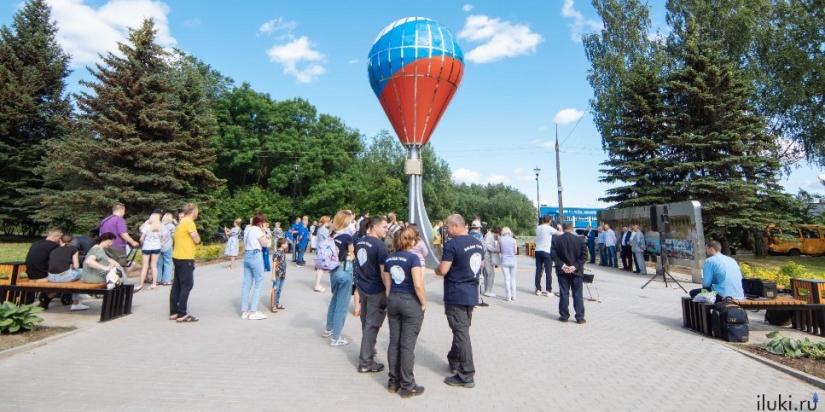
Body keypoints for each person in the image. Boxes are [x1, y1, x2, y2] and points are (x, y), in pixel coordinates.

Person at [436, 214, 482, 389]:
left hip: (456, 293)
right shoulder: (477, 243)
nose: (446, 230)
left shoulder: (452, 244)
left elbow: (444, 269)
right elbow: (481, 265)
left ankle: (466, 374)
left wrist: (437, 270)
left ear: (456, 226)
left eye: (447, 227)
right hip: (471, 293)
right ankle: (454, 359)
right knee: (462, 329)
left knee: (461, 332)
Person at [383, 226, 427, 398]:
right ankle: (408, 386)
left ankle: (393, 381)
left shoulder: (389, 259)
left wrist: (390, 302)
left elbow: (387, 285)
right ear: (410, 241)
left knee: (394, 342)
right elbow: (418, 284)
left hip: (393, 299)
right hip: (409, 301)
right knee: (407, 345)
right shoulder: (413, 258)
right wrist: (423, 303)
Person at [355, 215, 389, 373]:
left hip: (362, 286)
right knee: (372, 323)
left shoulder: (360, 241)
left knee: (366, 321)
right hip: (375, 289)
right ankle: (366, 361)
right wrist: (388, 291)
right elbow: (384, 273)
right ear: (375, 227)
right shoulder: (380, 246)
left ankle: (368, 349)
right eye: (384, 227)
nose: (386, 230)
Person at [324, 210, 355, 346]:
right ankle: (336, 337)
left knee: (334, 299)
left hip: (333, 270)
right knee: (342, 305)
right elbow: (352, 254)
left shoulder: (331, 235)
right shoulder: (347, 237)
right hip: (344, 269)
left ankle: (328, 328)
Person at [170, 203, 201, 323]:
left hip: (177, 256)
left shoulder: (181, 222)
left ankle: (174, 311)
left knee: (177, 285)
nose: (197, 213)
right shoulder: (189, 222)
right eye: (197, 210)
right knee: (187, 285)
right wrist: (197, 239)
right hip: (185, 257)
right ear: (193, 211)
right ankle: (182, 313)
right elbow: (196, 239)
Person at [552, 223, 588, 324]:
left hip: (562, 271)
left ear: (562, 229)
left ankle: (564, 316)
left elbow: (553, 255)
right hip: (576, 271)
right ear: (572, 229)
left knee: (564, 293)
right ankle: (580, 317)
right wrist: (574, 266)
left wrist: (563, 266)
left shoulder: (556, 239)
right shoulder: (580, 239)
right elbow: (584, 256)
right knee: (577, 294)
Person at [46, 233, 87, 311]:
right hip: (63, 277)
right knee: (83, 271)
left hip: (51, 277)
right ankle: (76, 302)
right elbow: (76, 266)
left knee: (75, 274)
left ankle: (76, 298)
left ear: (60, 240)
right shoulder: (73, 249)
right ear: (72, 241)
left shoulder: (54, 250)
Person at [99, 204, 141, 277]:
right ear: (120, 210)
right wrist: (133, 242)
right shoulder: (119, 219)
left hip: (106, 246)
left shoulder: (104, 220)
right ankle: (121, 280)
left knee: (110, 264)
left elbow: (100, 234)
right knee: (121, 266)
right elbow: (123, 233)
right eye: (124, 211)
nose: (124, 213)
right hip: (117, 246)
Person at [241, 213, 269, 320]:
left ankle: (244, 311)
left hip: (247, 255)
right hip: (255, 255)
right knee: (259, 283)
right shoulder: (257, 230)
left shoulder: (247, 229)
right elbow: (265, 243)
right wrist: (263, 231)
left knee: (246, 284)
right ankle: (253, 311)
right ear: (260, 223)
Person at [138, 213, 168, 291]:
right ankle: (154, 283)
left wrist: (143, 243)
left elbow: (141, 238)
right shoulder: (162, 227)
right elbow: (164, 238)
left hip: (147, 247)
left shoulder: (147, 227)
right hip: (157, 247)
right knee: (154, 266)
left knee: (145, 266)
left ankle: (141, 285)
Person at [534, 215, 559, 296]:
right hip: (547, 251)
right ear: (550, 221)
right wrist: (559, 227)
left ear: (542, 220)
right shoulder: (549, 228)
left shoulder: (538, 228)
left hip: (538, 250)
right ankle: (548, 290)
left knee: (538, 270)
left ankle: (538, 289)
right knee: (548, 272)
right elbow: (559, 234)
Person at [157, 213, 176, 286]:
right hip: (167, 246)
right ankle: (166, 280)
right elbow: (174, 236)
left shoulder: (159, 225)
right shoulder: (171, 226)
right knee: (168, 263)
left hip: (159, 246)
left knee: (159, 264)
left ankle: (158, 279)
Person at [499, 227, 518, 301]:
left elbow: (498, 249)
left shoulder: (500, 239)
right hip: (513, 260)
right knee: (513, 278)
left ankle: (508, 296)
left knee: (507, 279)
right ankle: (514, 295)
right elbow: (515, 251)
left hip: (504, 260)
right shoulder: (513, 240)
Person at [313, 216, 331, 292]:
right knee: (321, 269)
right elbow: (328, 239)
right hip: (323, 250)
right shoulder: (324, 230)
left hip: (319, 249)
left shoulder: (320, 229)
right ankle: (317, 285)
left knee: (319, 268)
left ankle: (317, 284)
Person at [481, 226, 500, 297]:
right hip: (487, 257)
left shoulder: (488, 235)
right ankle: (488, 291)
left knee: (487, 274)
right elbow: (487, 245)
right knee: (491, 274)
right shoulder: (489, 236)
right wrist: (495, 250)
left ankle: (487, 290)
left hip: (486, 256)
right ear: (496, 233)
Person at [271, 238, 288, 311]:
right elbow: (274, 264)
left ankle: (277, 303)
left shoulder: (283, 253)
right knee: (275, 289)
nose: (287, 245)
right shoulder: (277, 253)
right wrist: (273, 275)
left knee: (280, 289)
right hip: (277, 274)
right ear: (282, 244)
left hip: (282, 274)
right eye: (286, 243)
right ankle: (273, 305)